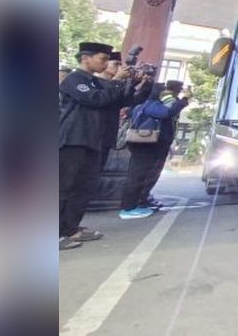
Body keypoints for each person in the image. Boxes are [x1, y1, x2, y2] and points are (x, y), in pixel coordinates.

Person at [59, 42, 130, 250]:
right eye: (103, 59)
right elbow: (95, 99)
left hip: (93, 140)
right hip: (73, 139)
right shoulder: (74, 79)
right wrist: (115, 81)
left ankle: (70, 228)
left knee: (83, 187)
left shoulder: (96, 82)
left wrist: (133, 83)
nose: (106, 63)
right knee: (63, 187)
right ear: (85, 58)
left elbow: (117, 100)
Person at [119, 83, 189, 219]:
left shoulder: (141, 106)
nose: (166, 94)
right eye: (163, 91)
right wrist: (183, 100)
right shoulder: (152, 105)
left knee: (142, 175)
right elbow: (167, 113)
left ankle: (136, 203)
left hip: (143, 145)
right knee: (137, 176)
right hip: (144, 145)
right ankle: (128, 207)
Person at [138, 80, 188, 210]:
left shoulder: (166, 98)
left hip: (161, 137)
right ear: (178, 89)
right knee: (152, 170)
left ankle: (143, 196)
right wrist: (184, 100)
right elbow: (168, 113)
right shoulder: (169, 99)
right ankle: (142, 197)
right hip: (159, 138)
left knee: (152, 170)